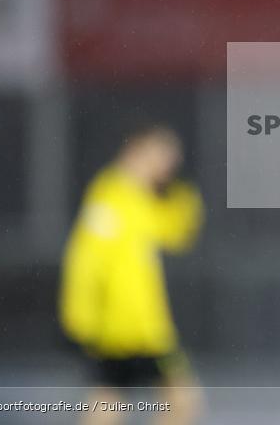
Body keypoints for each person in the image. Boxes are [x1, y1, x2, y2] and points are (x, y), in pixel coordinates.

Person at [59, 123, 204, 425]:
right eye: (162, 156)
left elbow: (177, 233)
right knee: (178, 400)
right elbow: (85, 262)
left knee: (112, 402)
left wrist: (181, 192)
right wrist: (79, 320)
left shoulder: (140, 198)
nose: (167, 165)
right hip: (123, 327)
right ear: (138, 152)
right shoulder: (109, 197)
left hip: (144, 325)